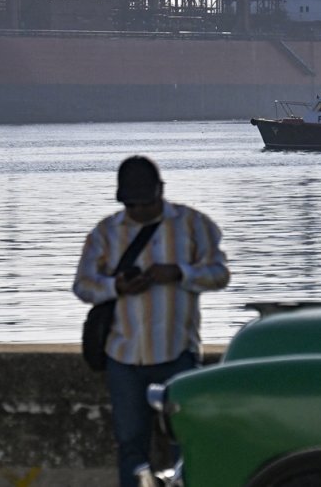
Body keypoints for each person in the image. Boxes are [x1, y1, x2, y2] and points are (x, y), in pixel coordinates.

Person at [73, 156, 230, 487]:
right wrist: (116, 286)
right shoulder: (105, 233)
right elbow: (83, 285)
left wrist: (180, 273)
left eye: (145, 203)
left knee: (186, 442)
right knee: (130, 445)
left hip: (178, 353)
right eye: (131, 204)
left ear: (160, 192)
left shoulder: (194, 225)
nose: (139, 211)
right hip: (124, 357)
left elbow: (219, 274)